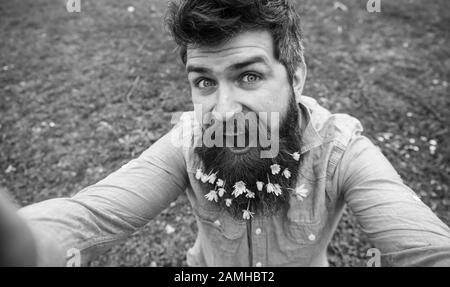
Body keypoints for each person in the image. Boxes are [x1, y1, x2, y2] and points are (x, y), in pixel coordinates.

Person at [2, 0, 450, 267]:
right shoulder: (188, 141)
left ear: (295, 77)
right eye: (204, 81)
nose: (223, 110)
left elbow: (428, 249)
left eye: (249, 77)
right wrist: (18, 243)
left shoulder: (342, 152)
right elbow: (91, 216)